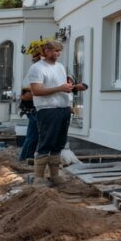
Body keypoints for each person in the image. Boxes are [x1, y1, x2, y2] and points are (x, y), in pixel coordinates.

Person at [27, 40, 86, 185]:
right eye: (54, 50)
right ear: (46, 51)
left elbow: (61, 87)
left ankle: (54, 175)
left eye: (59, 51)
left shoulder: (60, 67)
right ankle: (39, 177)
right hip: (47, 110)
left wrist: (74, 88)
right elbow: (36, 90)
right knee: (46, 142)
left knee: (58, 144)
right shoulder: (37, 68)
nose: (58, 53)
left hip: (63, 109)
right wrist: (60, 88)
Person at [18, 48, 42, 162]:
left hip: (34, 106)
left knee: (33, 134)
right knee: (34, 134)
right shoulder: (35, 70)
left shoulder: (37, 69)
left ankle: (26, 157)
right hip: (32, 106)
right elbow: (27, 94)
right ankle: (26, 157)